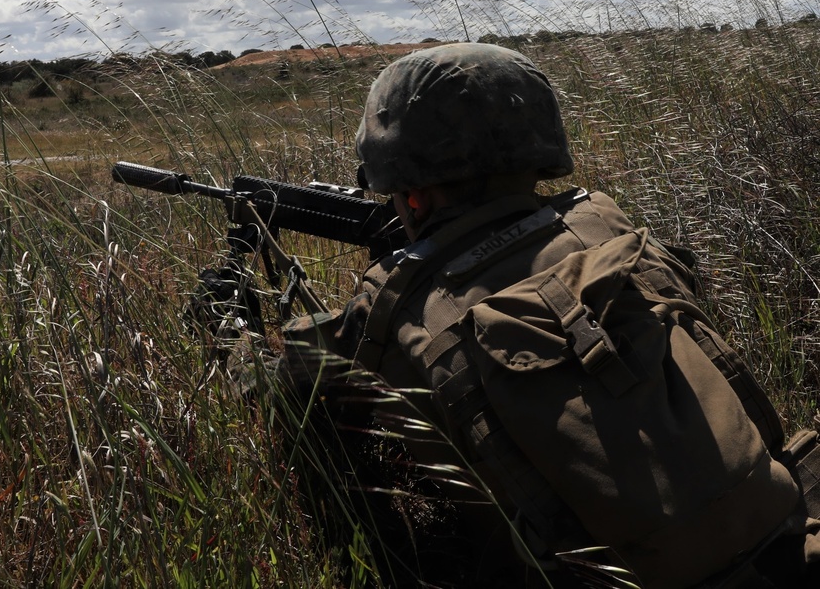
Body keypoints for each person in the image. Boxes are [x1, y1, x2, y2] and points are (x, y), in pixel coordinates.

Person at [274, 43, 820, 588]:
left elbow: (293, 378)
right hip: (783, 532)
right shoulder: (603, 223)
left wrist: (242, 333)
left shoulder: (389, 305)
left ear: (409, 193)